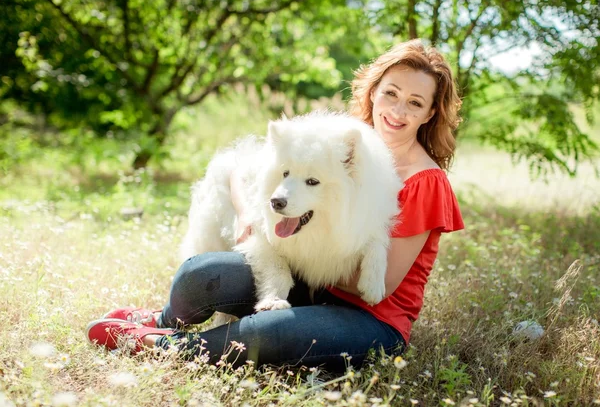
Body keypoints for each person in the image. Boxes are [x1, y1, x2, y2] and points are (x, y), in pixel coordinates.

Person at [86, 39, 464, 371]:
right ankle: (165, 319)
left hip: (368, 318)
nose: (397, 111)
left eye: (415, 102)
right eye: (391, 93)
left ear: (430, 113)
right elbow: (241, 166)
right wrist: (252, 212)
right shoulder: (337, 138)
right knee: (200, 273)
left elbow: (375, 285)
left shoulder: (425, 181)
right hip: (307, 283)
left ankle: (162, 347)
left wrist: (282, 245)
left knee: (272, 332)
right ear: (373, 91)